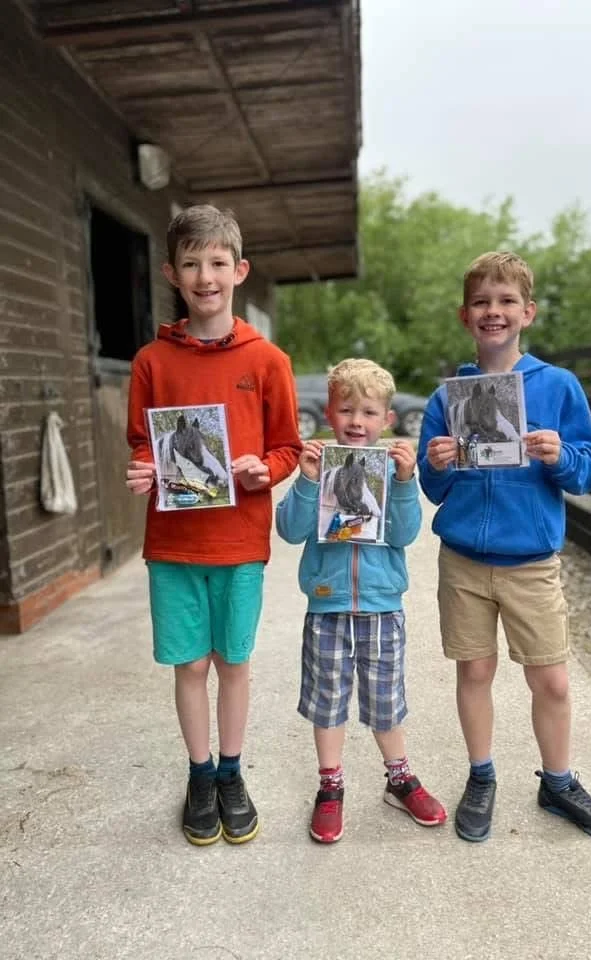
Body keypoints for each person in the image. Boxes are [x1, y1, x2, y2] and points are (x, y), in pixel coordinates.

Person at [418, 251, 591, 844]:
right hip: (463, 562)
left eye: (506, 301)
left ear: (527, 312)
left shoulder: (558, 387)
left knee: (553, 682)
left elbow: (588, 473)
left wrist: (559, 455)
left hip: (532, 562)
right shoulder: (450, 397)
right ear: (465, 315)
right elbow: (433, 488)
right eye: (482, 301)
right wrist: (436, 465)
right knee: (475, 670)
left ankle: (557, 782)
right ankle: (481, 775)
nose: (494, 311)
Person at [126, 204, 302, 846]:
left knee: (233, 662)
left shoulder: (269, 361)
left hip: (239, 544)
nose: (207, 276)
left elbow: (287, 445)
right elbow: (143, 442)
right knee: (189, 666)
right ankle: (199, 773)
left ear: (240, 271)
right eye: (193, 264)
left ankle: (232, 771)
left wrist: (265, 471)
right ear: (173, 273)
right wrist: (144, 467)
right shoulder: (151, 361)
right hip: (172, 545)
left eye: (218, 263)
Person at [276, 358, 447, 843]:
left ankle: (399, 778)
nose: (357, 421)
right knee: (328, 701)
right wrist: (307, 481)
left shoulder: (393, 472)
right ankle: (330, 787)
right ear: (329, 413)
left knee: (385, 701)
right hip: (327, 606)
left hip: (381, 605)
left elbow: (407, 534)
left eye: (369, 412)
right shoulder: (318, 466)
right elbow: (288, 531)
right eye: (347, 410)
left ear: (387, 420)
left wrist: (407, 483)